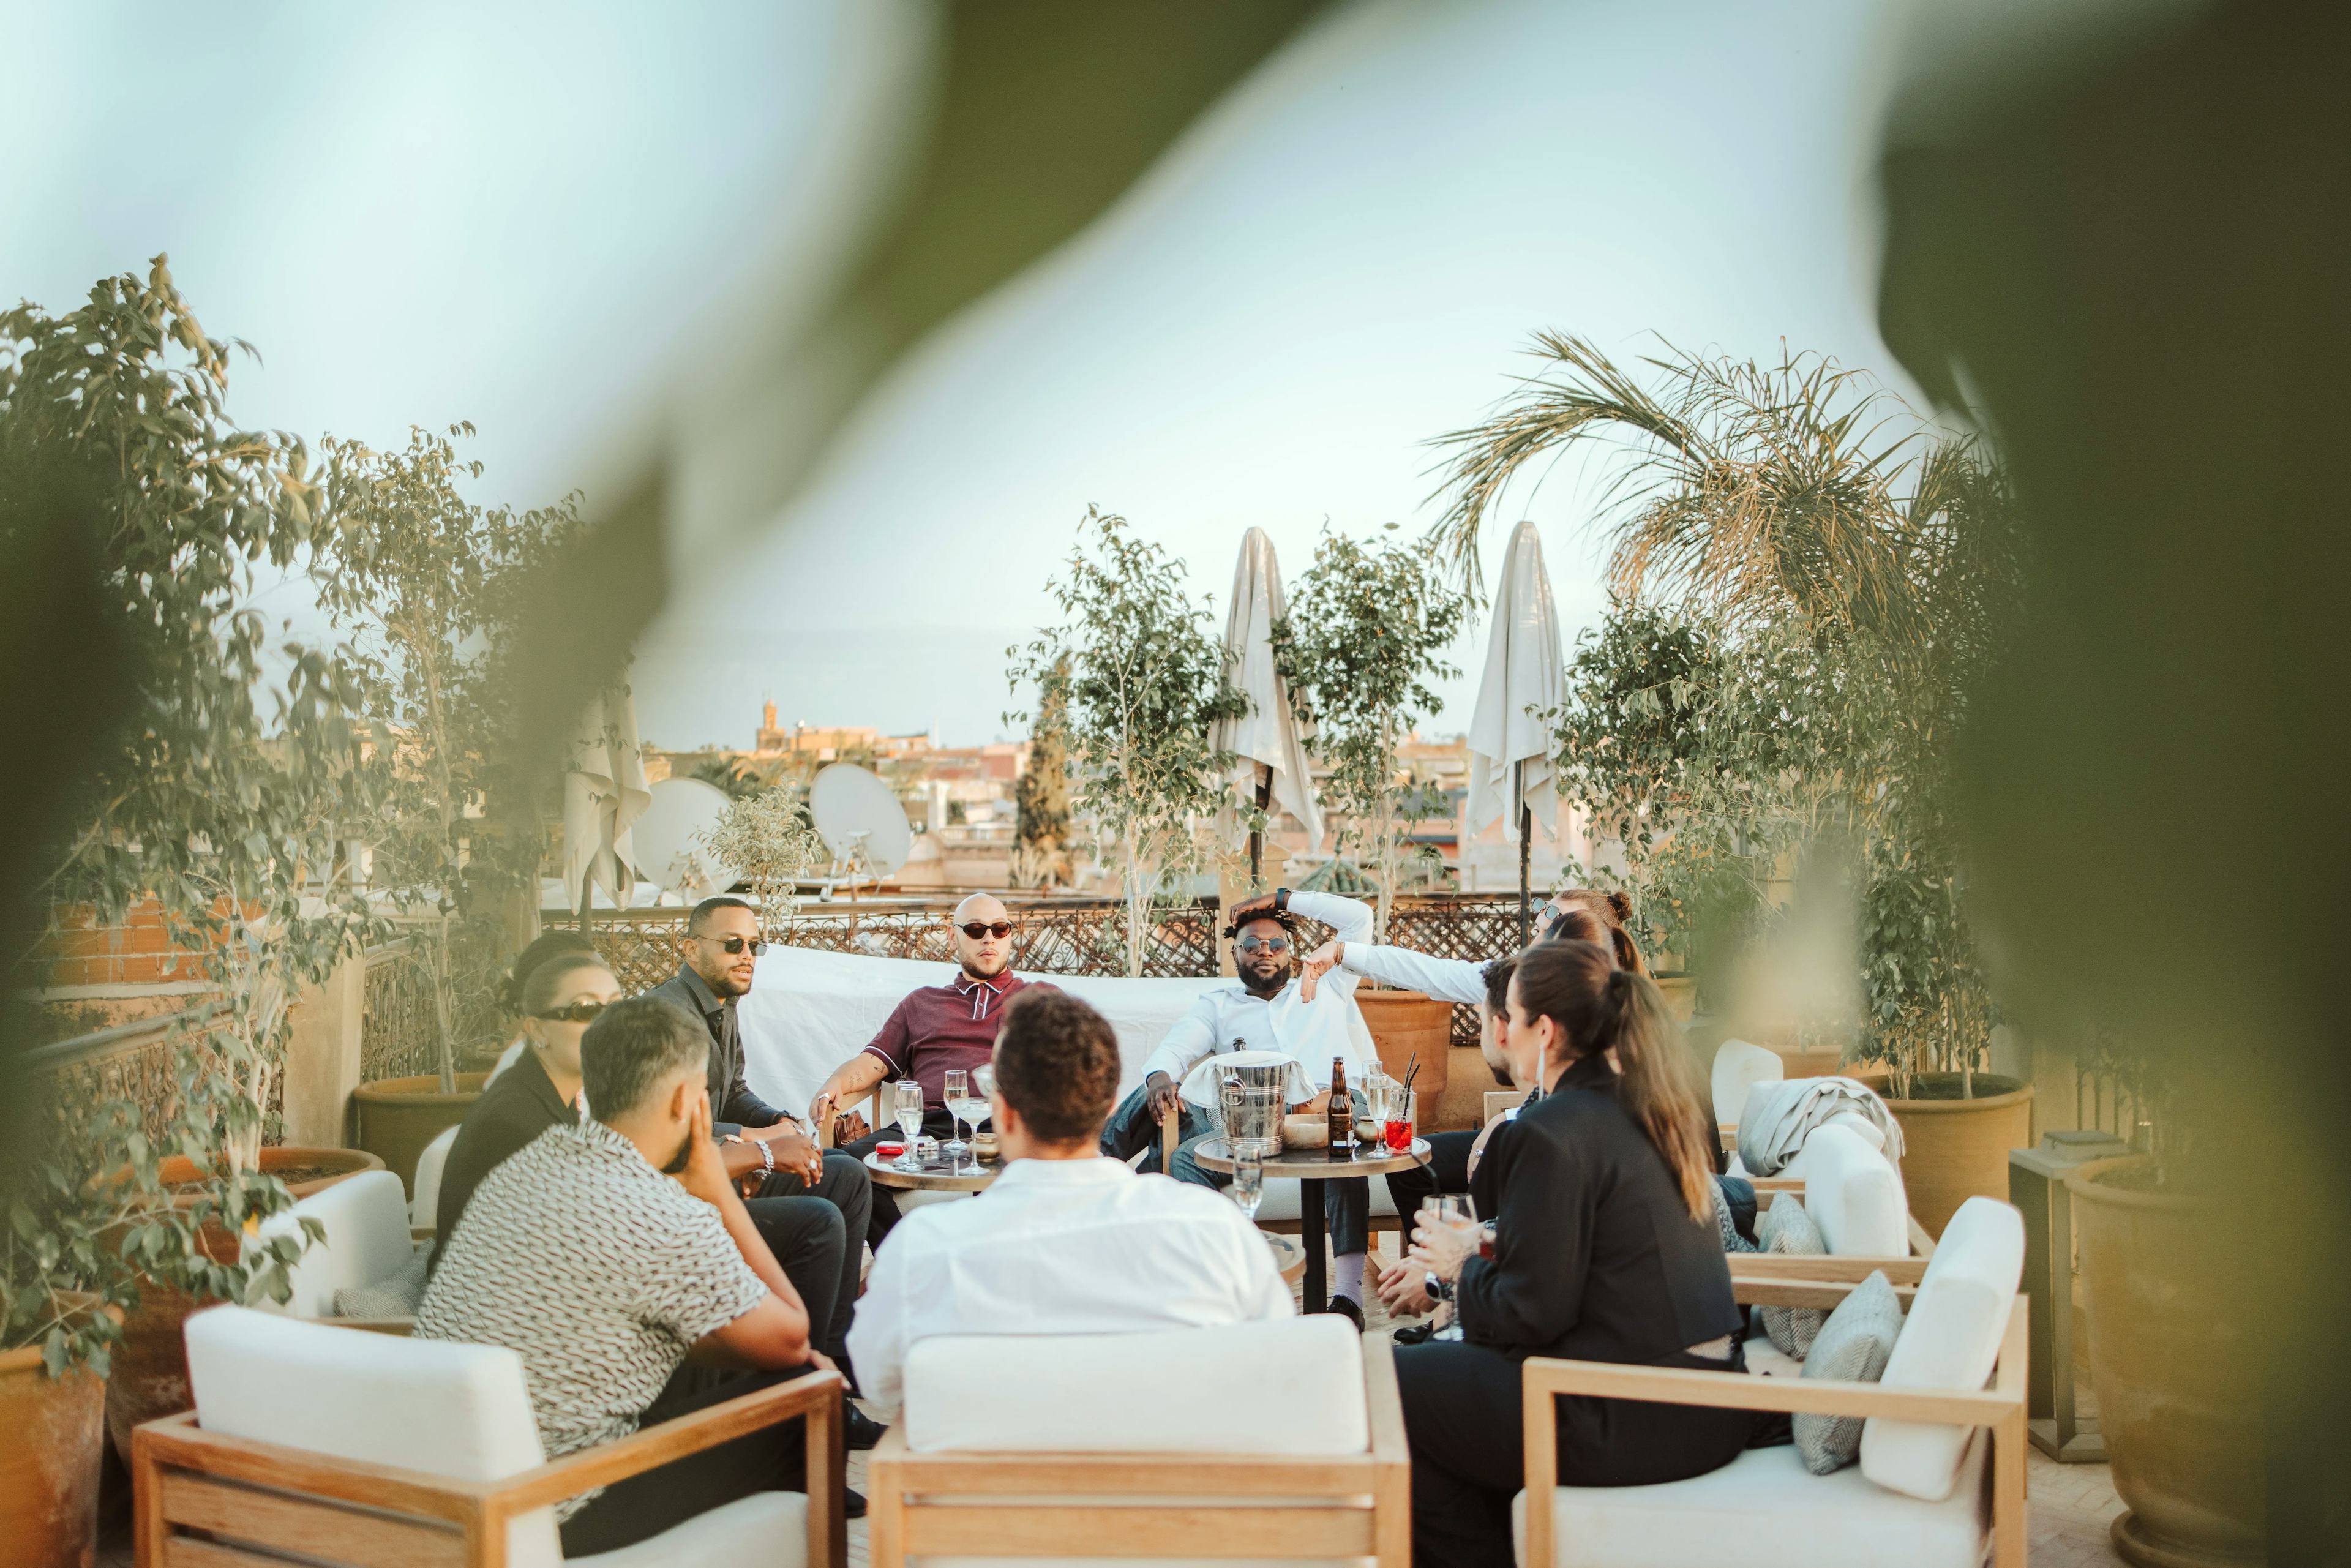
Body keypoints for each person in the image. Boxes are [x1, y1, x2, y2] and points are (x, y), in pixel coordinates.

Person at [416, 995, 857, 1555]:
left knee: (722, 1347)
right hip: (560, 1504)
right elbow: (793, 1337)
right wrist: (715, 1187)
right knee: (806, 1392)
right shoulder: (657, 1212)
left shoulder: (527, 1164)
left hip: (462, 1484)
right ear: (685, 1100)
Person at [1392, 940, 1757, 1568]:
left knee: (1393, 1385)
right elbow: (1594, 1256)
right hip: (1702, 1398)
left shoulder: (1549, 1128)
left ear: (1545, 1030)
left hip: (1633, 1406)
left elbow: (1534, 1313)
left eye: (1509, 1014)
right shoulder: (1647, 1104)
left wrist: (1459, 1267)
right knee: (1435, 1368)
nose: (1501, 1032)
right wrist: (1483, 1249)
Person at [848, 988, 1291, 1412]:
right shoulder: (1214, 1228)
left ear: (1000, 1111)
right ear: (1111, 1105)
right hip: (1163, 1483)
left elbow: (879, 1383)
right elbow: (1273, 1362)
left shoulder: (923, 1249)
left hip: (996, 1487)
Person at [1097, 887, 1380, 1326]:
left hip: (1326, 1111)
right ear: (1235, 954)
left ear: (1292, 953)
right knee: (1181, 1153)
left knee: (1343, 1134)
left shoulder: (1327, 985)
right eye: (1251, 944)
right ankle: (1237, 1269)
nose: (1264, 951)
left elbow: (1359, 917)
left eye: (1276, 943)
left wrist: (1281, 898)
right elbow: (1175, 1047)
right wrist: (1158, 1080)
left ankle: (1347, 1297)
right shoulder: (1218, 1005)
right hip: (1246, 1126)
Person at [645, 894, 877, 1382]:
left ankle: (835, 1354)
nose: (747, 955)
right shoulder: (666, 1017)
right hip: (685, 1187)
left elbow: (733, 1091)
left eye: (755, 944)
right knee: (823, 1213)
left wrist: (783, 1121)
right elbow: (669, 1129)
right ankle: (800, 1381)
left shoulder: (720, 1006)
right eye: (733, 944)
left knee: (848, 1173)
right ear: (690, 949)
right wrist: (761, 1142)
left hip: (726, 1164)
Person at [805, 893, 1055, 1245]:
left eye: (1000, 929)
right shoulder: (921, 1003)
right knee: (836, 1169)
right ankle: (909, 1255)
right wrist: (834, 1083)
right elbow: (873, 1063)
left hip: (1011, 1127)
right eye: (976, 929)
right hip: (928, 1128)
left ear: (1010, 935)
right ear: (953, 937)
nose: (989, 938)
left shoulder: (1042, 998)